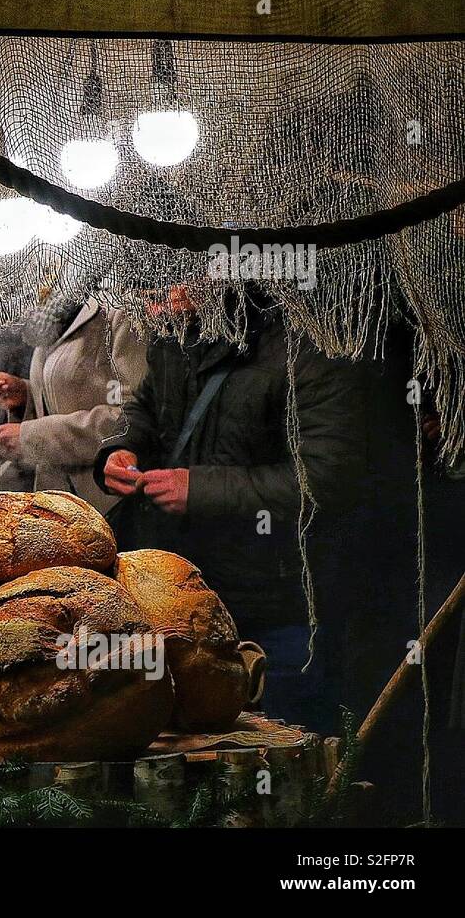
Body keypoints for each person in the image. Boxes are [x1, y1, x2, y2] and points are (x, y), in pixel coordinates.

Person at [93, 285, 368, 733]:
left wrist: (200, 489)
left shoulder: (312, 340)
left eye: (170, 282)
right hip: (181, 594)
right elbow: (144, 407)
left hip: (276, 601)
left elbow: (328, 478)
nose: (154, 301)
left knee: (281, 751)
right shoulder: (176, 334)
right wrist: (119, 450)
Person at [0, 295, 147, 514]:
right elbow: (65, 394)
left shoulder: (121, 309)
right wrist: (25, 395)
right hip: (58, 503)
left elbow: (131, 418)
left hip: (111, 506)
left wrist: (32, 437)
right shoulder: (52, 314)